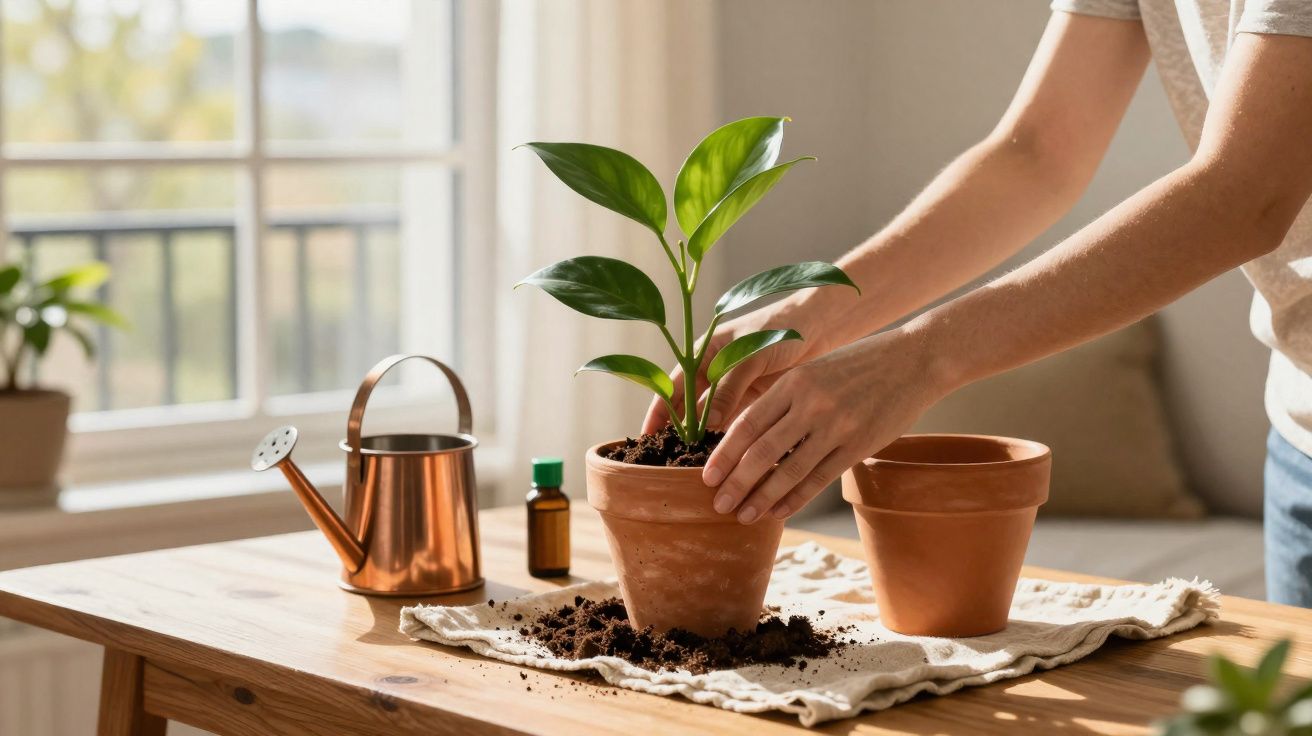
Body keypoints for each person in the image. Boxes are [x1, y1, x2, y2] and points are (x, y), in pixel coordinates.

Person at [643, 1, 1312, 606]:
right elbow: (1037, 153)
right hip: (1297, 434)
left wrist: (916, 359)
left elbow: (1245, 196)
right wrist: (817, 307)